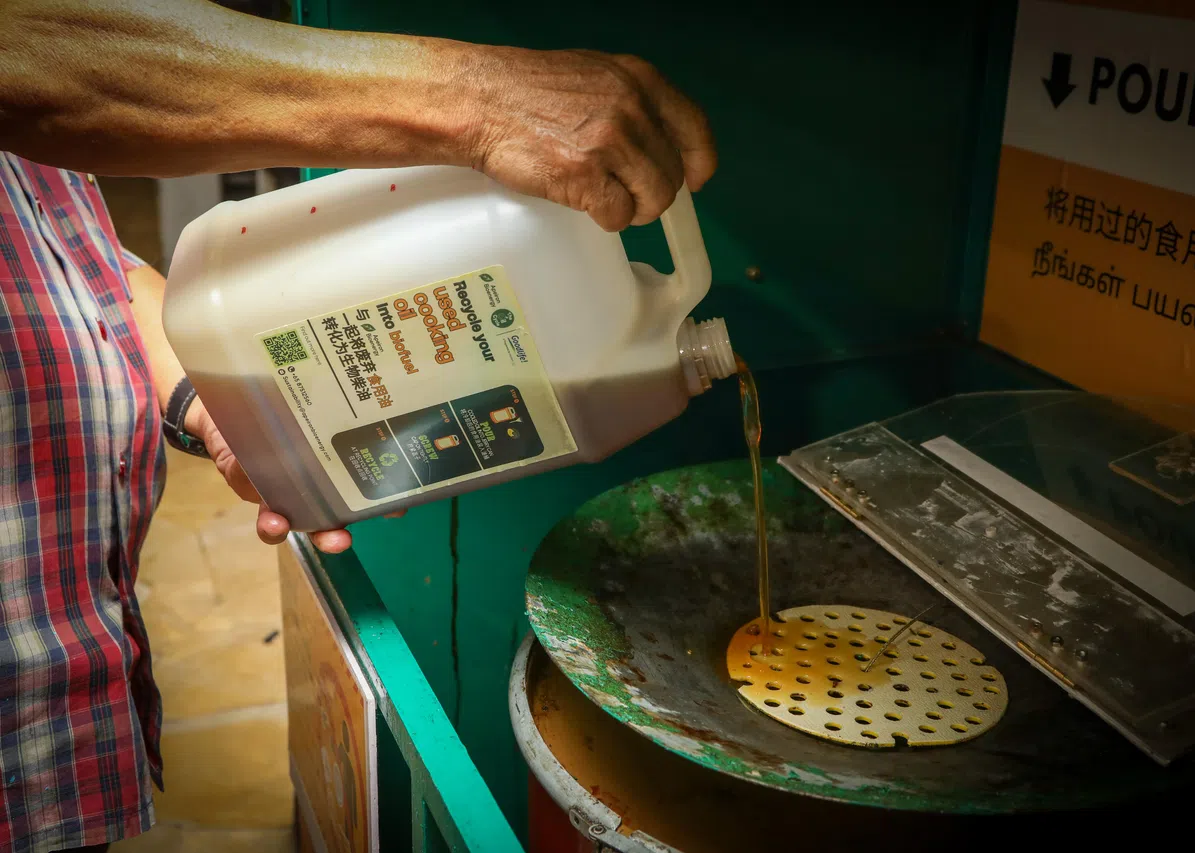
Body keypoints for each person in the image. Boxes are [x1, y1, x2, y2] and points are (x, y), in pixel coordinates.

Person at [0, 1, 717, 850]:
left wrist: (209, 403)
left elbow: (78, 267)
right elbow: (31, 59)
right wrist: (481, 101)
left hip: (65, 692)